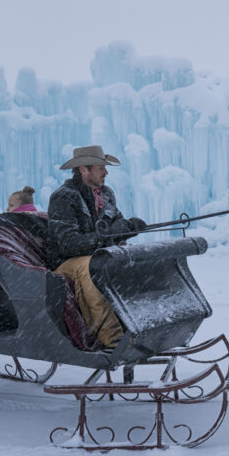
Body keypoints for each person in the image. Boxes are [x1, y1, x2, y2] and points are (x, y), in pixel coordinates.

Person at [46, 145, 147, 347]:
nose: (106, 172)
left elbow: (114, 228)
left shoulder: (106, 194)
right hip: (67, 262)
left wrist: (128, 228)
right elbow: (69, 244)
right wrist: (108, 234)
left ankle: (140, 328)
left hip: (98, 256)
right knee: (91, 267)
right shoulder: (64, 197)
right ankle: (113, 340)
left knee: (128, 262)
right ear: (84, 170)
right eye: (101, 167)